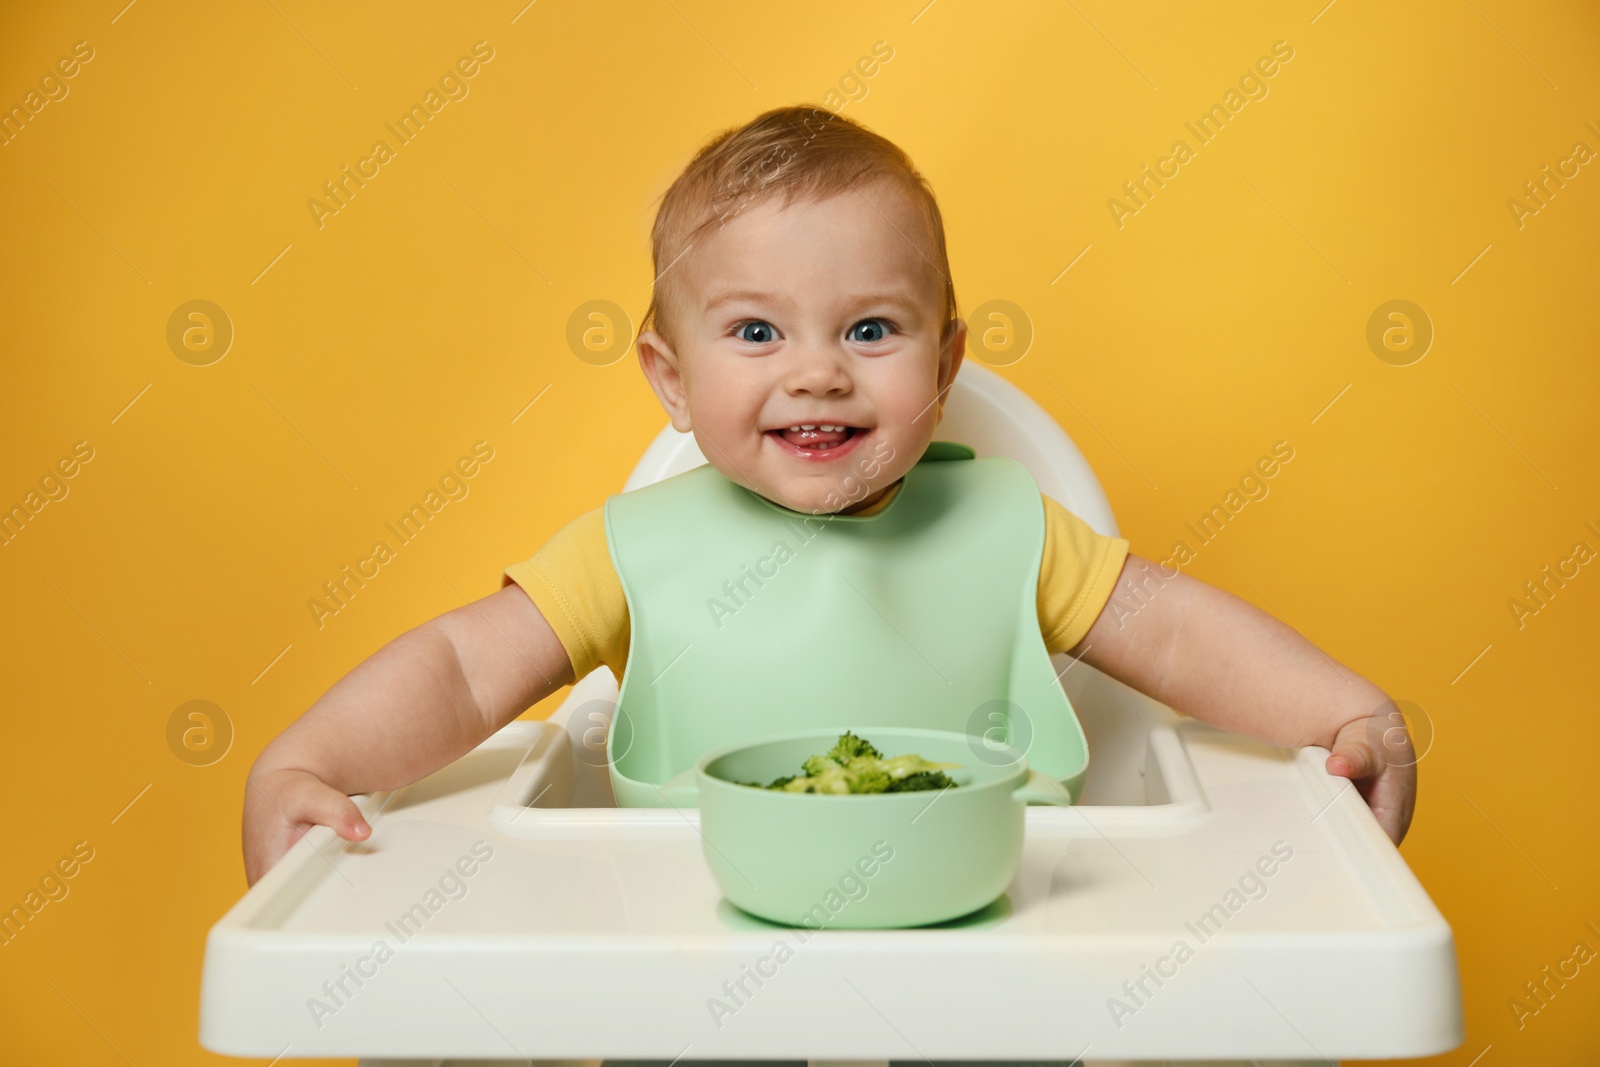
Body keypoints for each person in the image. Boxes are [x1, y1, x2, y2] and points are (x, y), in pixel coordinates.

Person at [242, 104, 1414, 887]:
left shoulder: (1013, 533)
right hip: (699, 959)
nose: (817, 370)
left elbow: (1179, 627)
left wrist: (1340, 709)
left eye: (869, 327)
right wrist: (312, 759)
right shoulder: (630, 550)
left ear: (945, 365)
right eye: (754, 330)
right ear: (669, 377)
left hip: (986, 940)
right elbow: (457, 667)